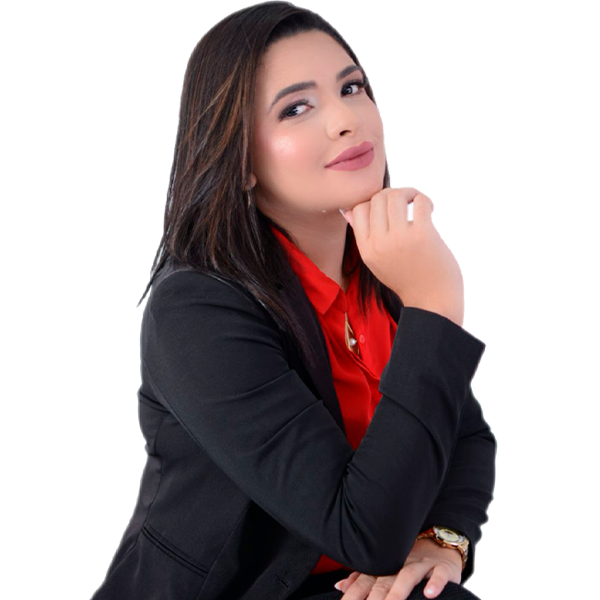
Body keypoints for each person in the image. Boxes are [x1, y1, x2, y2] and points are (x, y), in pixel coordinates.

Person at [89, 3, 496, 599]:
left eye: (351, 88)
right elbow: (364, 532)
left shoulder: (381, 268)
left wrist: (443, 539)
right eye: (296, 108)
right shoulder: (197, 312)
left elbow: (464, 438)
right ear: (240, 161)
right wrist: (434, 304)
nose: (345, 120)